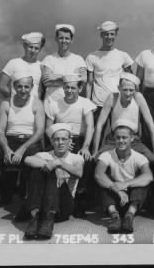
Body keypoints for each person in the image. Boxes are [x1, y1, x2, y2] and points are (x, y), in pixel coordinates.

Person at [0, 71, 45, 223]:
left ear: (32, 88)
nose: (23, 90)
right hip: (9, 141)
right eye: (20, 86)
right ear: (14, 87)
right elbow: (0, 131)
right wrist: (6, 149)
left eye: (27, 87)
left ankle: (29, 205)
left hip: (29, 144)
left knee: (36, 162)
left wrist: (22, 149)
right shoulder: (6, 104)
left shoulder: (37, 104)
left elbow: (39, 132)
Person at [45, 74, 96, 215]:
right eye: (66, 87)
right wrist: (61, 142)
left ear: (79, 88)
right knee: (47, 158)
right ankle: (54, 195)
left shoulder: (85, 103)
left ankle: (81, 195)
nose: (69, 91)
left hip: (79, 139)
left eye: (73, 88)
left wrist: (86, 146)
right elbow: (48, 129)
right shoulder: (54, 104)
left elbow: (90, 127)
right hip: (59, 138)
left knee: (88, 160)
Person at [23, 123, 84, 240]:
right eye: (56, 139)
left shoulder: (77, 158)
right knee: (38, 170)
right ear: (51, 142)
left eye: (64, 139)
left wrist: (59, 163)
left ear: (70, 141)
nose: (60, 142)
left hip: (63, 206)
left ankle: (48, 220)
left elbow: (79, 173)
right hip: (42, 204)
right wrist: (53, 166)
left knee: (48, 170)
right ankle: (34, 218)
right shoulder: (44, 155)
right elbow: (27, 159)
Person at [94, 119, 153, 234]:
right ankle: (114, 216)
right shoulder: (107, 155)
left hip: (132, 199)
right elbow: (98, 175)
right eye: (118, 138)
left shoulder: (139, 157)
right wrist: (117, 189)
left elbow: (149, 176)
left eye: (124, 137)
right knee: (103, 180)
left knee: (142, 182)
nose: (121, 141)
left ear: (132, 139)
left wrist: (125, 184)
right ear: (114, 139)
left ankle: (129, 217)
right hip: (114, 200)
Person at [92, 72, 154, 163]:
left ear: (135, 90)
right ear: (119, 88)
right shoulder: (112, 97)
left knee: (153, 161)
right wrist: (95, 151)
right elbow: (99, 125)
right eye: (125, 90)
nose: (128, 93)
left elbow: (151, 125)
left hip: (133, 140)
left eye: (131, 90)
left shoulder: (138, 97)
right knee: (96, 161)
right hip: (114, 139)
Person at [85, 21, 134, 121]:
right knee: (97, 134)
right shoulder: (91, 57)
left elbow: (131, 80)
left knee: (119, 134)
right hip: (98, 105)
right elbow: (89, 83)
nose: (109, 37)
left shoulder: (123, 56)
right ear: (101, 35)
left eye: (112, 34)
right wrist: (87, 104)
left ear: (115, 35)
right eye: (106, 34)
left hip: (118, 103)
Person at [41, 24, 87, 106]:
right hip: (51, 104)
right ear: (56, 39)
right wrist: (73, 78)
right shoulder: (49, 59)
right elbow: (47, 82)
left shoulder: (79, 59)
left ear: (71, 40)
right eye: (61, 38)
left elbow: (83, 79)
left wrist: (58, 77)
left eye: (67, 38)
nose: (64, 41)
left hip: (72, 106)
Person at [0, 32, 45, 99]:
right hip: (16, 108)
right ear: (25, 46)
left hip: (34, 108)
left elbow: (42, 91)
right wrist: (13, 100)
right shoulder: (13, 63)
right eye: (30, 47)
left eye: (36, 48)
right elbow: (2, 86)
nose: (33, 51)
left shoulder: (42, 67)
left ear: (40, 49)